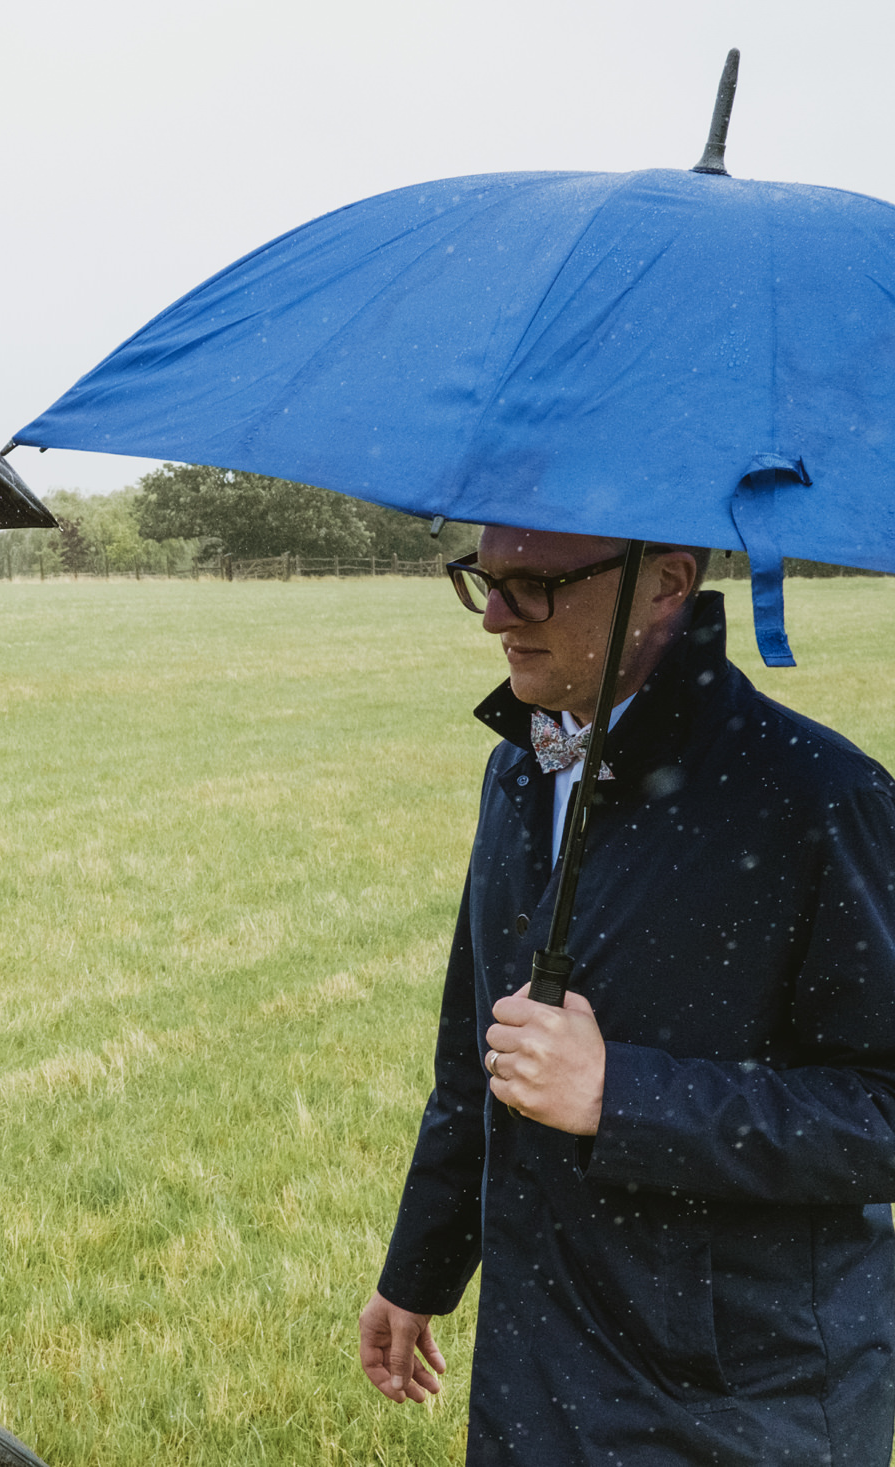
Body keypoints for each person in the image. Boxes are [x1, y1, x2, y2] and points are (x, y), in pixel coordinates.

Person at [359, 525, 895, 1463]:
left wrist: (621, 1095)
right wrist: (421, 1268)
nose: (493, 616)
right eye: (485, 579)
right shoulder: (522, 765)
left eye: (534, 586)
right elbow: (477, 1045)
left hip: (740, 1401)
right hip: (541, 1370)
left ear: (667, 585)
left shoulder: (819, 798)